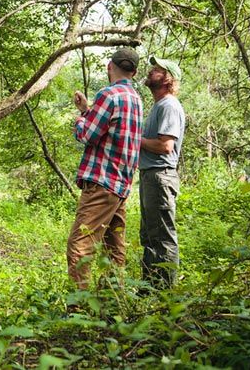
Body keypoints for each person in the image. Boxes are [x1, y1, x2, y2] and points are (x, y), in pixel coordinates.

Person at [67, 48, 143, 289]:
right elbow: (111, 131)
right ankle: (112, 304)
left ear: (110, 66)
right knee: (114, 248)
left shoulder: (109, 95)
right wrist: (87, 110)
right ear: (135, 71)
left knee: (80, 246)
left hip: (101, 184)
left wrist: (80, 120)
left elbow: (87, 134)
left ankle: (80, 309)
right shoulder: (136, 100)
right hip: (121, 187)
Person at [139, 56, 185, 288]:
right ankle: (149, 289)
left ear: (168, 79)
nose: (150, 71)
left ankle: (165, 293)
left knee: (163, 238)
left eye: (156, 70)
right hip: (151, 176)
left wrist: (135, 140)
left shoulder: (168, 105)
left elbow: (165, 146)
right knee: (149, 236)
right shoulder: (159, 105)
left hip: (160, 175)